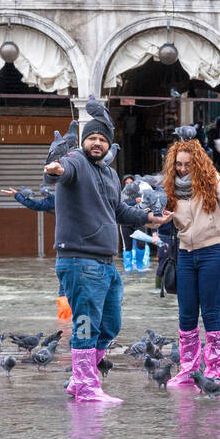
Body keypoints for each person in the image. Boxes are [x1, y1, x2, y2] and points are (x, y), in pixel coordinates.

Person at [44, 115, 168, 404]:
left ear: (109, 144)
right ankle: (87, 386)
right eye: (92, 138)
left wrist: (150, 218)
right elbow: (62, 172)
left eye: (102, 139)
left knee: (110, 324)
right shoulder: (75, 161)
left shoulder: (110, 175)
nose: (97, 143)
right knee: (85, 324)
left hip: (105, 263)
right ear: (84, 141)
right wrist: (55, 170)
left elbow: (120, 212)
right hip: (79, 261)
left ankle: (79, 379)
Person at [162, 140, 220, 389]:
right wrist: (156, 219)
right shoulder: (171, 188)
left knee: (210, 313)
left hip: (214, 252)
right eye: (178, 164)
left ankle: (216, 371)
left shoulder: (213, 180)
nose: (182, 169)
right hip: (186, 254)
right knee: (186, 315)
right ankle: (188, 371)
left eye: (187, 164)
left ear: (198, 163)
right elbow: (166, 220)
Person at [2, 185, 68, 319]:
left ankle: (67, 324)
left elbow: (36, 205)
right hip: (67, 249)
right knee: (65, 285)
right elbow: (36, 205)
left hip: (74, 249)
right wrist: (17, 195)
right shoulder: (59, 198)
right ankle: (66, 324)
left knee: (68, 286)